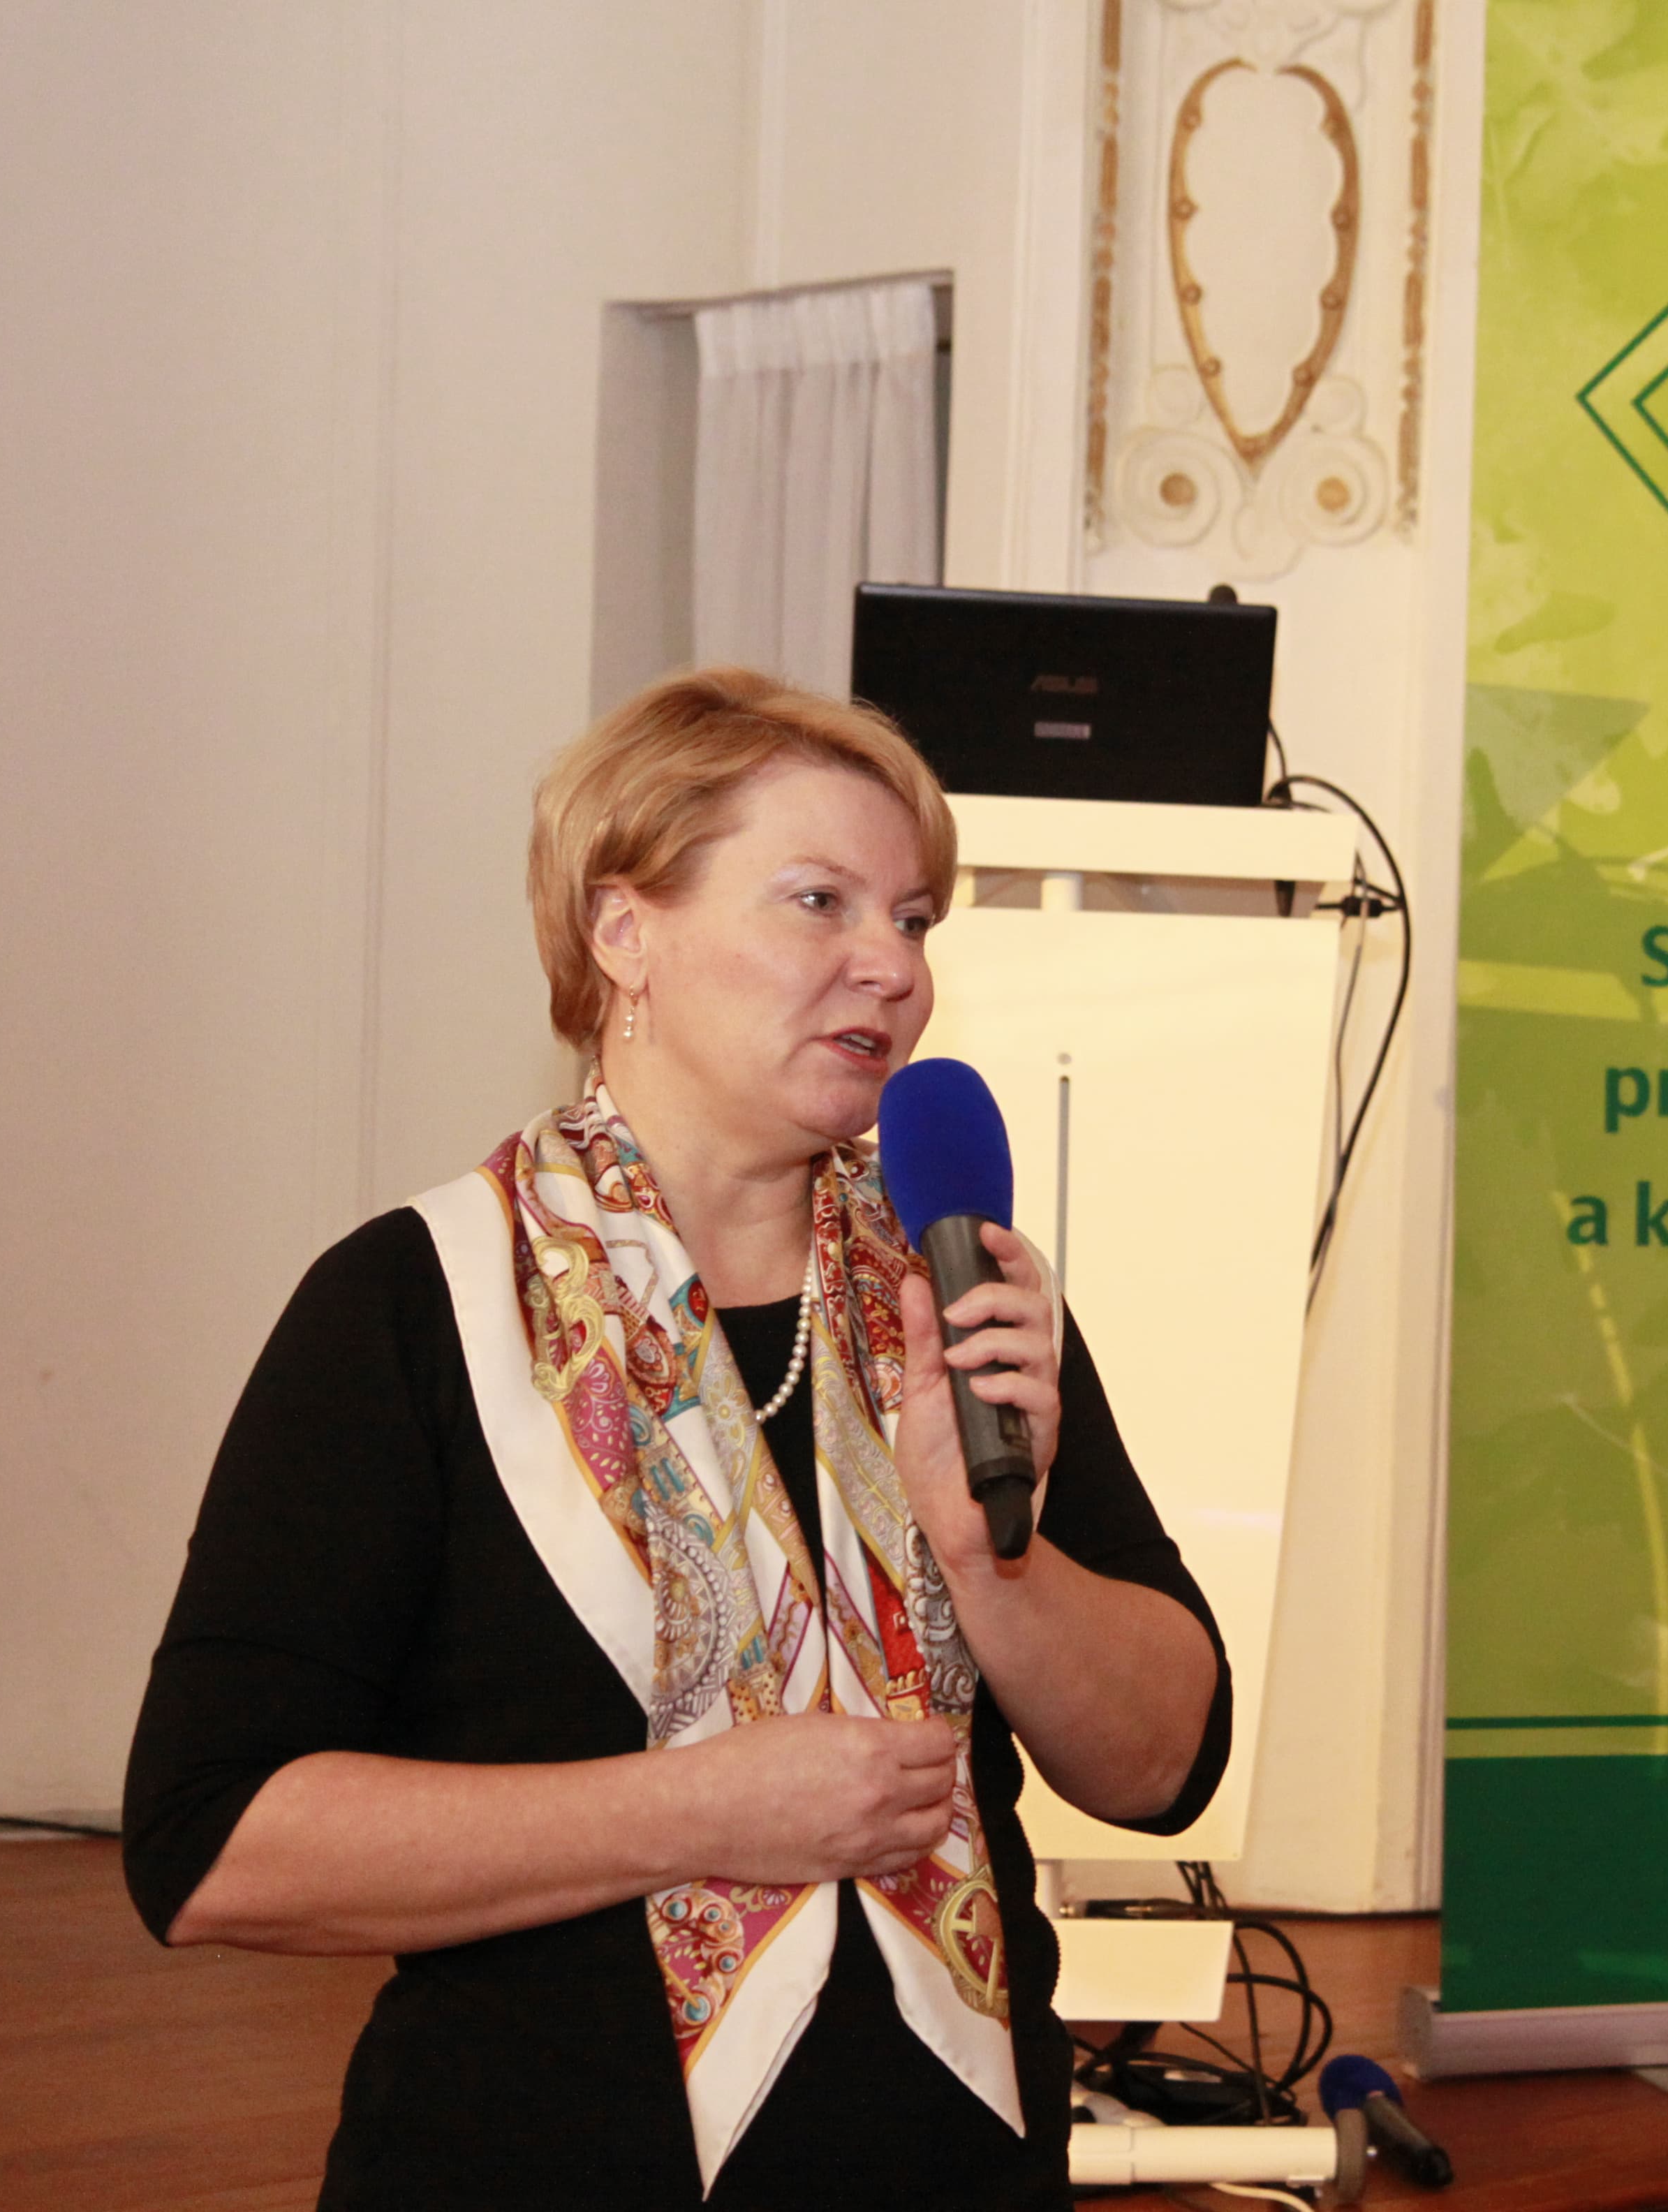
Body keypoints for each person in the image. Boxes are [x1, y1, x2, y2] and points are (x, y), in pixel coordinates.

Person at [123, 668, 1228, 2209]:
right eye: (821, 901)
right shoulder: (418, 1304)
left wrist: (991, 1558)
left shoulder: (956, 1289)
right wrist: (696, 1810)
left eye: (915, 920)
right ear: (622, 932)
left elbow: (1164, 1764)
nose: (892, 967)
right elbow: (213, 1842)